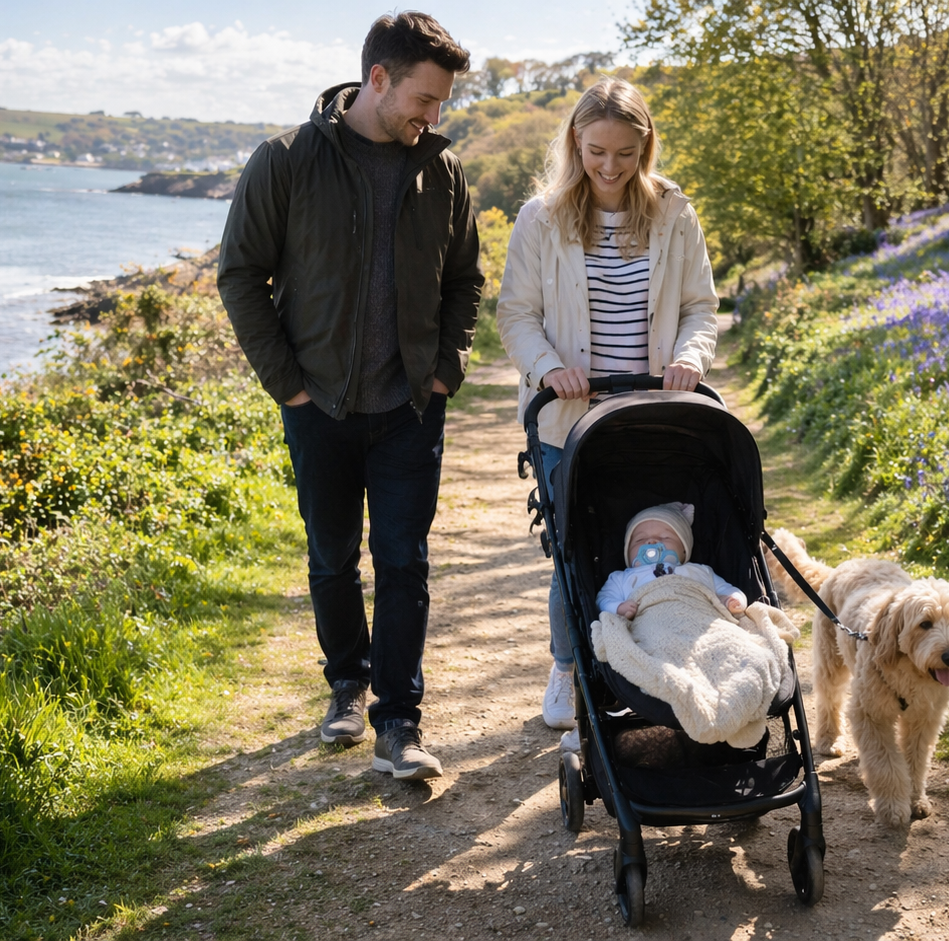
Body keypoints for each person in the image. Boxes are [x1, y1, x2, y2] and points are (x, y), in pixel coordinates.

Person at [217, 12, 484, 781]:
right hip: (319, 408)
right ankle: (346, 681)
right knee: (332, 557)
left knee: (405, 562)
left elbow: (465, 279)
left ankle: (399, 721)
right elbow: (240, 274)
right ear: (378, 79)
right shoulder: (287, 160)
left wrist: (444, 373)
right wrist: (288, 386)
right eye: (425, 99)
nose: (433, 116)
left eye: (441, 104)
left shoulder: (444, 170)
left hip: (409, 409)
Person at [495, 77, 720, 732]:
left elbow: (701, 308)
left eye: (625, 153)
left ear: (644, 146)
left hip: (654, 414)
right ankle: (567, 666)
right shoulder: (541, 217)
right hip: (570, 418)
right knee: (574, 547)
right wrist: (550, 368)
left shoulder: (674, 213)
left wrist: (689, 359)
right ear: (575, 142)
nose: (611, 167)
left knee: (655, 542)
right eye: (597, 151)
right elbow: (516, 315)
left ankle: (663, 657)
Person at [600, 503, 748, 619]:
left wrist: (733, 600)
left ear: (684, 549)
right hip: (650, 622)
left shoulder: (700, 571)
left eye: (665, 537)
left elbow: (726, 589)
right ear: (628, 551)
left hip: (697, 615)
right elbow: (603, 600)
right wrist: (619, 608)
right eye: (640, 539)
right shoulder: (620, 578)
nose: (652, 541)